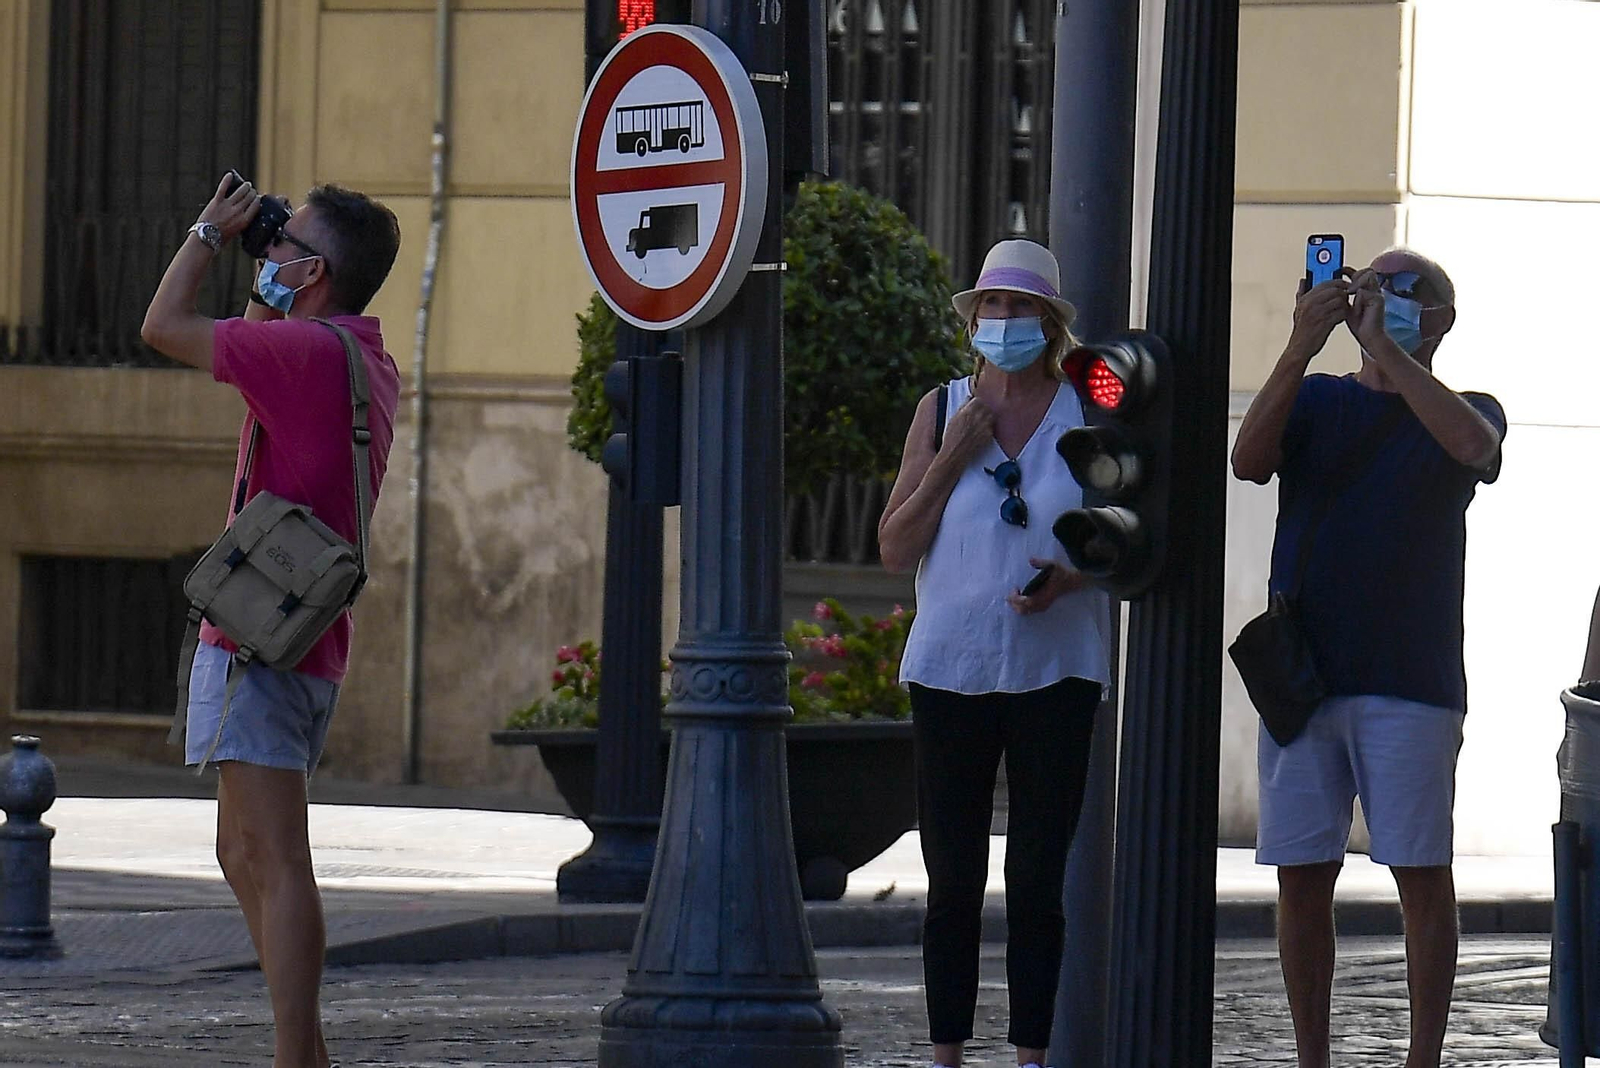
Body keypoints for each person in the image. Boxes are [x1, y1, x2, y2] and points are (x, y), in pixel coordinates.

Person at [142, 175, 403, 1068]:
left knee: (277, 856)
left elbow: (163, 327)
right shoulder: (358, 356)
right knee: (239, 849)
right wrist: (271, 264)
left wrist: (209, 235)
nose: (272, 248)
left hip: (260, 635)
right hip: (300, 631)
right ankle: (307, 1049)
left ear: (316, 271)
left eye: (286, 244)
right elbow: (254, 346)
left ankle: (299, 1055)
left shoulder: (303, 357)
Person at [1231, 247, 1505, 1068]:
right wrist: (1298, 347)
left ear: (1441, 319)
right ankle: (1312, 1057)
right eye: (1370, 284)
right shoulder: (1318, 398)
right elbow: (1248, 461)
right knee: (1301, 873)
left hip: (1412, 682)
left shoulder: (1469, 406)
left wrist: (1388, 351)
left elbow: (1474, 448)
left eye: (1402, 289)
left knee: (1420, 871)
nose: (1379, 296)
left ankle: (1422, 1058)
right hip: (1304, 679)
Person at [879, 239, 1110, 1068]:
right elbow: (895, 546)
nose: (1003, 320)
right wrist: (953, 455)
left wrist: (1072, 576)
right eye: (992, 305)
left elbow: (1132, 537)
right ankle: (946, 1053)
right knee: (952, 882)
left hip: (1057, 671)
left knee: (1039, 881)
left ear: (1049, 324)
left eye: (1021, 307)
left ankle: (1030, 1057)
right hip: (952, 669)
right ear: (974, 318)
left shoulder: (1087, 411)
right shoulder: (942, 408)